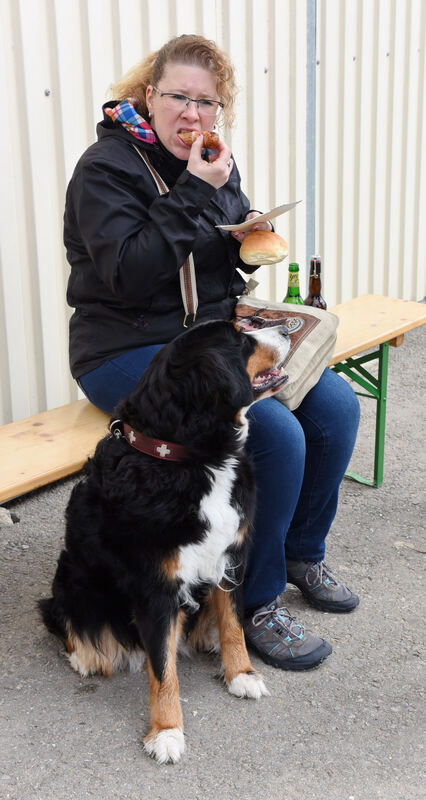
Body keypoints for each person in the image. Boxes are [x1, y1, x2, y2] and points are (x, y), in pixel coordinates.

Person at [64, 33, 360, 672]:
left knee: (335, 405)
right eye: (178, 98)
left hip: (205, 339)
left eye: (207, 102)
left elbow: (219, 271)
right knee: (276, 434)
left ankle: (301, 553)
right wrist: (197, 192)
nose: (192, 115)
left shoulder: (216, 163)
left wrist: (248, 233)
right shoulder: (106, 167)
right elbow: (128, 275)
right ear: (149, 95)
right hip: (124, 347)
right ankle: (256, 604)